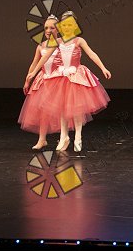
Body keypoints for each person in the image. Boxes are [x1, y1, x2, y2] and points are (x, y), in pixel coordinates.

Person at [25, 10, 111, 151]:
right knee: (62, 109)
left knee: (76, 109)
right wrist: (34, 72)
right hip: (61, 77)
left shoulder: (79, 41)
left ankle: (78, 136)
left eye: (70, 24)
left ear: (75, 25)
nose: (67, 27)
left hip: (76, 76)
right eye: (64, 25)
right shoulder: (57, 42)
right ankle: (64, 137)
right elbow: (45, 57)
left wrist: (103, 68)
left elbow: (91, 54)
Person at [18, 15, 61, 149]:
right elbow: (34, 64)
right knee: (43, 110)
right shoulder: (41, 46)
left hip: (58, 79)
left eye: (52, 28)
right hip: (44, 80)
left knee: (61, 109)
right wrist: (27, 80)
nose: (48, 30)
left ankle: (63, 137)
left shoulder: (62, 43)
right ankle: (42, 139)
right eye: (46, 28)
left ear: (58, 29)